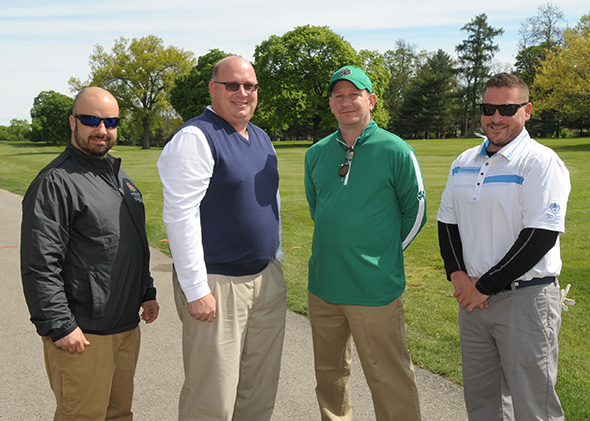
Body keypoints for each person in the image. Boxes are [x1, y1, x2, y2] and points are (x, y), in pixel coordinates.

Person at [157, 56, 287, 421]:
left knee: (258, 392)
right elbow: (180, 215)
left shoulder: (260, 137)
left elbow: (269, 200)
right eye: (232, 85)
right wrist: (196, 289)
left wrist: (274, 256)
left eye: (250, 86)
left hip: (264, 280)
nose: (242, 93)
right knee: (212, 399)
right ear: (213, 89)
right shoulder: (196, 137)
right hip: (217, 285)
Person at [20, 86, 159, 421]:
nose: (102, 129)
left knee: (118, 414)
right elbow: (40, 264)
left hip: (125, 328)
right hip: (83, 334)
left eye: (110, 121)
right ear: (73, 122)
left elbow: (126, 242)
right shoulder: (55, 182)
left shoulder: (118, 176)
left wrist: (146, 291)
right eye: (91, 119)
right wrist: (60, 325)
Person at [437, 72, 570, 420]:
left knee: (533, 406)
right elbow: (447, 224)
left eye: (507, 108)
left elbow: (539, 236)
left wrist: (482, 286)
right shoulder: (463, 162)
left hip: (525, 301)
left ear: (527, 111)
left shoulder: (540, 162)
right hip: (473, 302)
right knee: (483, 404)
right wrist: (460, 279)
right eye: (489, 108)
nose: (496, 117)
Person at [304, 65, 426, 421]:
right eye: (338, 96)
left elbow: (414, 212)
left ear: (370, 100)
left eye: (353, 94)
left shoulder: (395, 150)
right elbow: (319, 209)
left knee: (389, 377)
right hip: (324, 286)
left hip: (374, 289)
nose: (346, 102)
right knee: (329, 376)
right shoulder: (317, 153)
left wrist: (383, 253)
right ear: (330, 104)